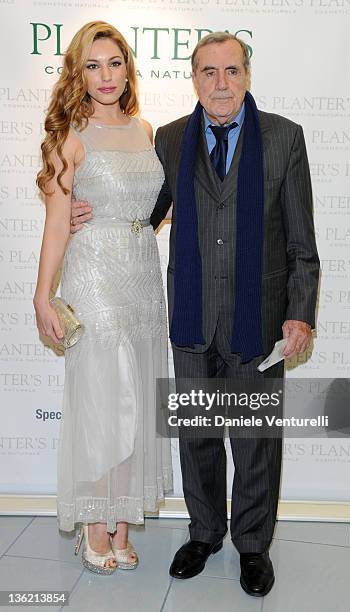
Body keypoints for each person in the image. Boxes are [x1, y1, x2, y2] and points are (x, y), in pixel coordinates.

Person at [71, 32, 319, 595]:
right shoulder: (172, 139)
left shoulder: (284, 138)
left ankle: (253, 546)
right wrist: (87, 209)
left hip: (258, 316)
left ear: (247, 74)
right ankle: (205, 532)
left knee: (255, 438)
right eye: (208, 73)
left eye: (231, 71)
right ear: (195, 79)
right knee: (198, 435)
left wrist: (300, 314)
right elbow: (144, 209)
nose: (221, 83)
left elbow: (303, 243)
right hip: (189, 315)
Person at [34, 21, 173, 575]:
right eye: (92, 65)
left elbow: (154, 203)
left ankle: (120, 523)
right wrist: (43, 297)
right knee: (101, 403)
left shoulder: (146, 129)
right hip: (93, 279)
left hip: (143, 277)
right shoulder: (71, 136)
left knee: (136, 400)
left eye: (114, 63)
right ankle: (94, 523)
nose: (106, 75)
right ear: (78, 73)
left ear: (128, 68)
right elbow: (54, 227)